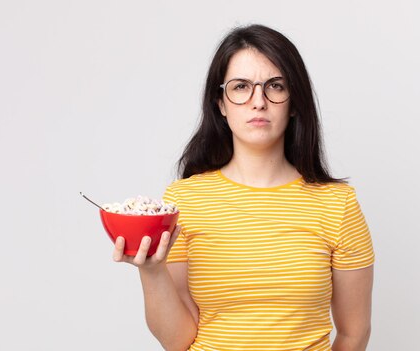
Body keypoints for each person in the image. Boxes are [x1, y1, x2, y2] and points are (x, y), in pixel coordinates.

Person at [113, 24, 375, 351]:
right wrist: (151, 273)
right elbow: (177, 340)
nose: (258, 101)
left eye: (275, 86)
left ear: (294, 102)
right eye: (241, 87)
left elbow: (354, 333)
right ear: (221, 103)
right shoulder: (184, 201)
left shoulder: (339, 204)